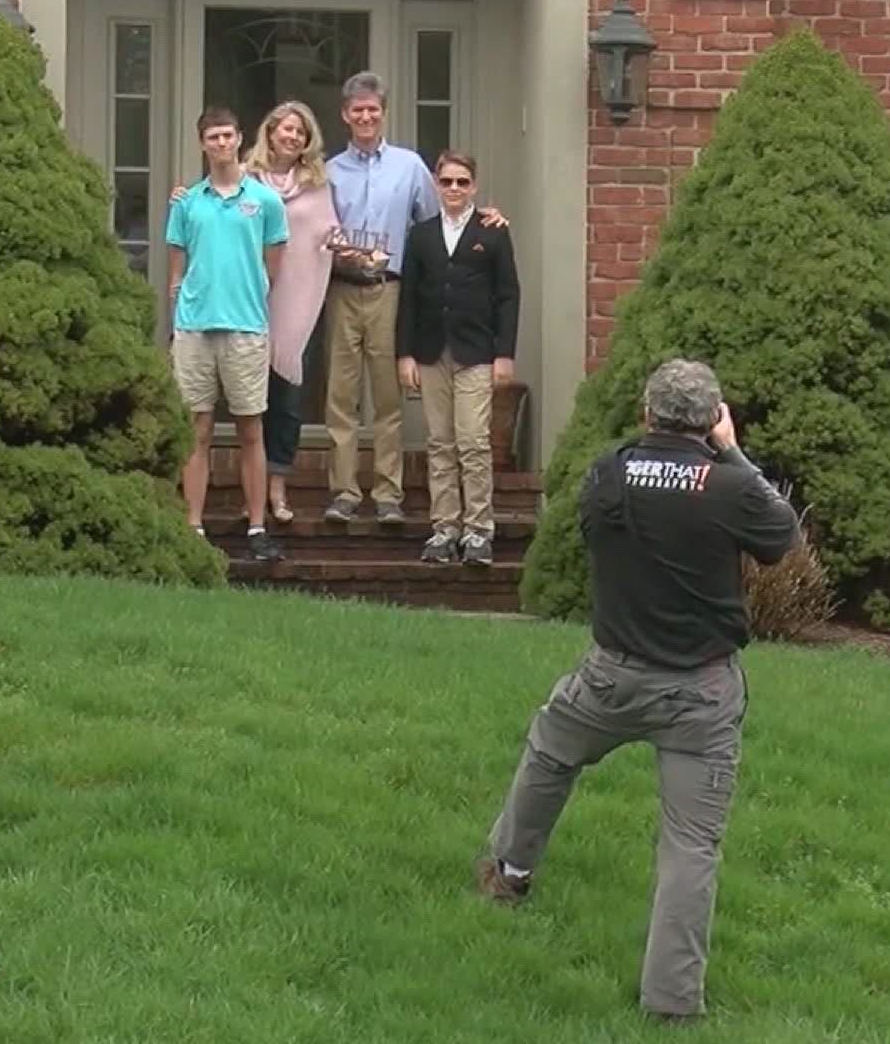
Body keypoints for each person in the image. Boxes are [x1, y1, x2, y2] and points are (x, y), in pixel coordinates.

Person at [472, 358, 800, 1024]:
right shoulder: (729, 485)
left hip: (611, 677)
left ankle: (509, 871)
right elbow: (782, 536)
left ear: (647, 414)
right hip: (702, 693)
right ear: (713, 421)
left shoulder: (609, 474)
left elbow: (597, 529)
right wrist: (731, 451)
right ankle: (673, 1003)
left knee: (551, 751)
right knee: (690, 845)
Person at [319, 72, 508, 526]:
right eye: (358, 110)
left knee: (387, 398)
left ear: (383, 113)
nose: (366, 116)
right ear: (346, 115)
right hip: (341, 289)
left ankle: (388, 493)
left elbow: (441, 221)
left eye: (373, 109)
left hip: (390, 289)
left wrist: (486, 217)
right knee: (340, 397)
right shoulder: (328, 172)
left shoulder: (409, 168)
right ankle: (343, 492)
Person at [164, 106, 289, 562]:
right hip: (195, 328)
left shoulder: (265, 201)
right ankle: (192, 527)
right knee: (195, 429)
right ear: (202, 144)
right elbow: (176, 271)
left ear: (240, 139)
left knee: (251, 429)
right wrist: (178, 317)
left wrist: (248, 298)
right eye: (212, 137)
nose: (221, 144)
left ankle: (257, 527)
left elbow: (272, 266)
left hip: (246, 327)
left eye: (227, 136)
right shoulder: (187, 202)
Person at [396, 151, 519, 567]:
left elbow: (508, 296)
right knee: (439, 443)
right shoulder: (421, 235)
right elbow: (409, 297)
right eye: (446, 181)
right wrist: (405, 353)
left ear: (474, 186)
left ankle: (478, 530)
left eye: (462, 182)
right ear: (435, 183)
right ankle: (444, 528)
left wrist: (504, 354)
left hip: (476, 351)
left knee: (473, 442)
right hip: (431, 351)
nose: (453, 189)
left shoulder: (493, 232)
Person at [245, 100, 340, 522]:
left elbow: (327, 232)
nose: (292, 136)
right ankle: (246, 490)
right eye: (285, 129)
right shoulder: (245, 179)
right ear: (269, 132)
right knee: (246, 397)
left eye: (299, 132)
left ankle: (278, 487)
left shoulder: (317, 183)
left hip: (295, 300)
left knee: (285, 398)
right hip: (247, 298)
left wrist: (339, 243)